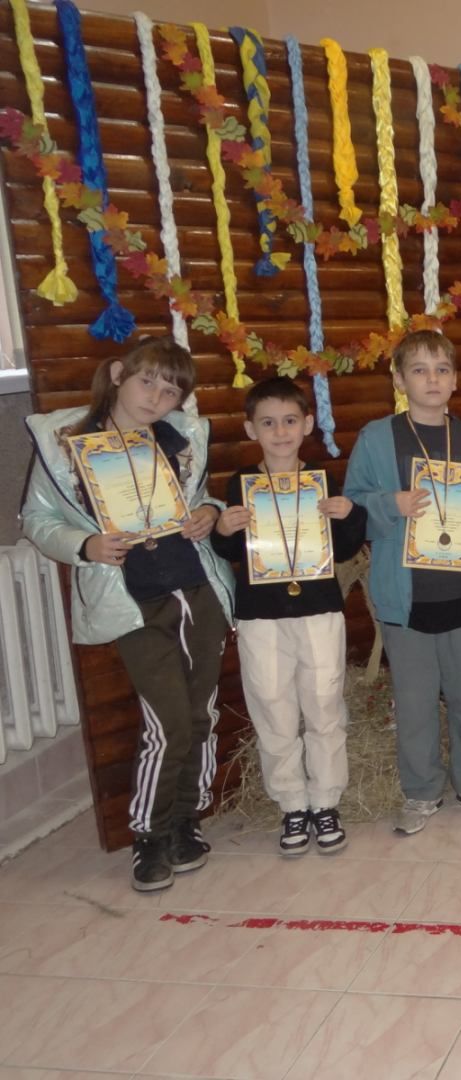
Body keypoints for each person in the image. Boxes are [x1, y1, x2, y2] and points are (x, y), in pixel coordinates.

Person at [22, 336, 233, 892]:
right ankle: (150, 833)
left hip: (197, 593)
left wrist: (208, 512)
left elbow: (203, 498)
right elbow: (37, 520)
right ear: (118, 374)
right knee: (168, 722)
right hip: (134, 603)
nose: (156, 398)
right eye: (147, 382)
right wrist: (85, 545)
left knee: (200, 714)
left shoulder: (180, 438)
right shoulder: (67, 443)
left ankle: (186, 820)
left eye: (171, 392)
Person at [345, 330, 461, 835]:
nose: (432, 379)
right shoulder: (378, 438)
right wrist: (389, 504)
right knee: (416, 705)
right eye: (419, 370)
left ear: (455, 379)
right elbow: (353, 506)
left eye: (441, 369)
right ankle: (420, 791)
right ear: (399, 380)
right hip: (407, 597)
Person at [210, 377, 368, 856]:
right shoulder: (241, 484)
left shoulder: (322, 480)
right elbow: (229, 551)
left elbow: (344, 549)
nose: (280, 432)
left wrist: (348, 514)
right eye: (268, 423)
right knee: (272, 705)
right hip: (261, 615)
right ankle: (292, 804)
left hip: (318, 609)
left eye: (290, 421)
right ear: (250, 429)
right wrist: (223, 529)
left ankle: (325, 801)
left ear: (308, 424)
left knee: (323, 704)